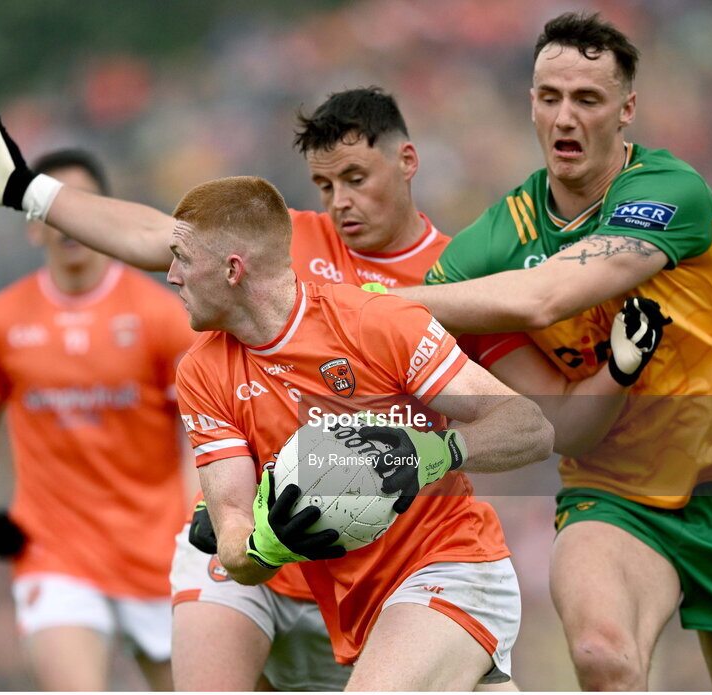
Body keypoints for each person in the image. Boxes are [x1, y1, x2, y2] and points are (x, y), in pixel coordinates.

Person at [0, 91, 666, 690]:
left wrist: (612, 376)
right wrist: (30, 190)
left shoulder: (453, 279)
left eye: (355, 178)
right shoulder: (277, 253)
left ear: (407, 163)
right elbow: (162, 235)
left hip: (407, 559)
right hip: (276, 558)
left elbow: (541, 421)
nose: (339, 202)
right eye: (324, 185)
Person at [395, 12, 712, 691]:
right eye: (549, 96)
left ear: (626, 110)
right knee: (601, 655)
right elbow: (557, 421)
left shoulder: (671, 193)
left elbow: (549, 294)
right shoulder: (493, 241)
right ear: (530, 103)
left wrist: (389, 301)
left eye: (587, 99)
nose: (565, 117)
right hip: (612, 498)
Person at [167, 174, 557, 690]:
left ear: (232, 270)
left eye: (181, 258)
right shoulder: (201, 373)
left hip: (452, 569)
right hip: (361, 608)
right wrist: (268, 547)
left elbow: (529, 425)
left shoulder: (374, 321)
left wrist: (434, 453)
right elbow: (232, 533)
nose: (171, 275)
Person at [0, 149, 197, 691]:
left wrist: (196, 523)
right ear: (32, 228)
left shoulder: (163, 317)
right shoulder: (0, 321)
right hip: (55, 556)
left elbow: (203, 435)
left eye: (77, 205)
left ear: (101, 215)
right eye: (48, 208)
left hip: (157, 554)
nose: (65, 223)